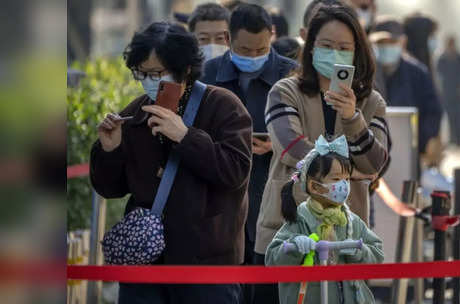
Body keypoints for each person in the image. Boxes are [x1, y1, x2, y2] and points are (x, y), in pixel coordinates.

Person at [90, 22, 252, 304]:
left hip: (206, 265)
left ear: (184, 68)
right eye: (141, 73)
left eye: (156, 73)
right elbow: (110, 188)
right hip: (146, 262)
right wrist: (109, 148)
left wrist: (186, 136)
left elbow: (235, 171)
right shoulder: (135, 112)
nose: (148, 81)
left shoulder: (222, 105)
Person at [256, 4, 390, 302]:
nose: (335, 53)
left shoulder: (371, 102)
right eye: (326, 45)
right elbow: (291, 149)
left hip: (345, 242)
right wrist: (352, 171)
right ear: (310, 47)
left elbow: (376, 164)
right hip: (286, 235)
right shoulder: (284, 91)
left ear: (358, 52)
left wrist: (353, 117)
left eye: (344, 47)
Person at [200, 3, 297, 303]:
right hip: (224, 190)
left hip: (274, 191)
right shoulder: (209, 72)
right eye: (245, 50)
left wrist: (277, 143)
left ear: (272, 36)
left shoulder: (290, 72)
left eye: (261, 50)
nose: (254, 57)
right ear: (228, 41)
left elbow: (307, 130)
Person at [266, 135, 384, 304]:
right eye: (336, 179)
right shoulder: (300, 219)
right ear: (314, 186)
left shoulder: (351, 221)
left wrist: (360, 251)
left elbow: (377, 254)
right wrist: (294, 246)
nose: (344, 185)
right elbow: (272, 260)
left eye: (347, 178)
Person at [370, 17, 442, 163]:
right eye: (381, 43)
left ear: (402, 42)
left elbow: (433, 111)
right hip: (372, 152)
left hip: (409, 152)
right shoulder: (366, 72)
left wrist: (421, 142)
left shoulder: (418, 73)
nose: (386, 47)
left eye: (391, 42)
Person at [436, 36, 460, 146]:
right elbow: (438, 75)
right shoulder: (442, 59)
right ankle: (453, 140)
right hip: (447, 94)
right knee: (450, 118)